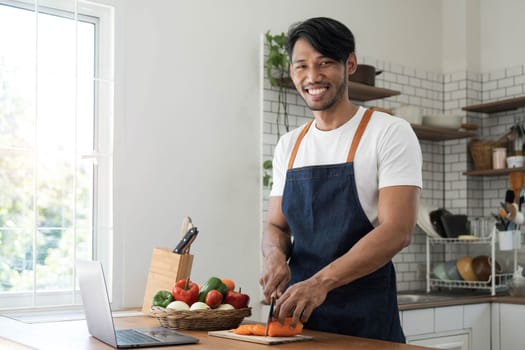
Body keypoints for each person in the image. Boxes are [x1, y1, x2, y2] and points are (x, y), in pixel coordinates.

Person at [259, 17, 422, 343]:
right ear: (292, 72)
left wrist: (321, 283)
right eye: (301, 66)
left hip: (367, 319)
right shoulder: (289, 145)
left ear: (349, 64)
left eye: (325, 63)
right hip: (299, 320)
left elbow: (398, 231)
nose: (312, 77)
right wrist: (275, 257)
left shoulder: (388, 132)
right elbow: (276, 226)